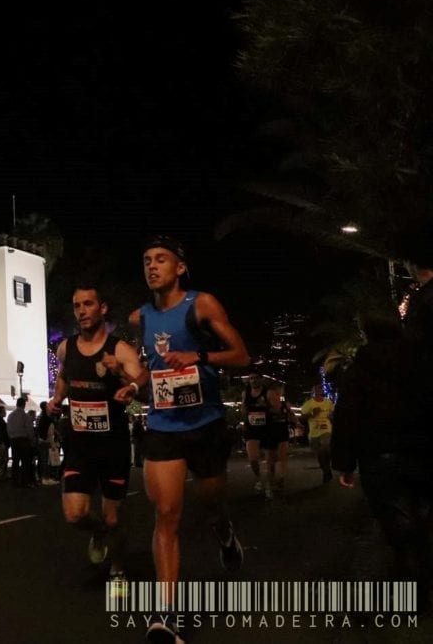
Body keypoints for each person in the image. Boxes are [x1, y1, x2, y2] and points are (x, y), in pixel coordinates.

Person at [113, 235, 250, 641]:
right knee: (166, 514)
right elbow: (149, 367)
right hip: (163, 427)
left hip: (205, 424)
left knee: (211, 503)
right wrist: (135, 386)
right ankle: (166, 616)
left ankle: (223, 532)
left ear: (180, 267)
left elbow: (242, 355)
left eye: (161, 260)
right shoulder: (140, 318)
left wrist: (200, 357)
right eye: (146, 260)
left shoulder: (202, 304)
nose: (152, 266)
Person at [332, 313, 431, 614]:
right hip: (422, 452)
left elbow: (347, 416)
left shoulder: (359, 370)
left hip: (380, 455)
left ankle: (411, 581)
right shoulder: (422, 363)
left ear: (366, 335)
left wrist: (345, 462)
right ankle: (421, 576)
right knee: (424, 514)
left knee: (397, 519)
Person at [47, 284, 144, 589]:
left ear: (102, 308)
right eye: (77, 306)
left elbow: (142, 378)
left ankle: (117, 567)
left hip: (112, 446)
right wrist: (56, 399)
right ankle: (98, 530)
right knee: (75, 516)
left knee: (115, 517)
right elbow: (64, 376)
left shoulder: (119, 349)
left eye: (88, 304)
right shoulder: (66, 347)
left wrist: (126, 381)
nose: (82, 311)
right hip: (78, 446)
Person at [241, 369, 288, 498]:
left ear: (261, 379)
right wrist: (244, 419)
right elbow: (244, 408)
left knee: (269, 461)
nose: (253, 380)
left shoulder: (269, 393)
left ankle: (269, 485)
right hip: (251, 428)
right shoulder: (245, 393)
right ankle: (259, 478)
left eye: (256, 378)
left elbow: (278, 410)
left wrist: (266, 407)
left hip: (268, 428)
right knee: (253, 458)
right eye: (251, 378)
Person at [299, 384, 334, 483]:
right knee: (320, 454)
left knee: (325, 448)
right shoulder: (309, 404)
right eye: (315, 390)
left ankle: (327, 471)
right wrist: (312, 414)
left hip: (326, 431)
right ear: (312, 392)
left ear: (322, 391)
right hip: (314, 434)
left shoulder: (328, 403)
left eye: (320, 389)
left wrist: (332, 417)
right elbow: (301, 418)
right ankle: (326, 471)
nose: (318, 391)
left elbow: (333, 414)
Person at [6, 397, 36, 487]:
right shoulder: (25, 416)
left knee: (15, 461)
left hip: (14, 440)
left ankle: (14, 481)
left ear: (16, 404)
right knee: (25, 461)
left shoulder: (10, 415)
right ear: (24, 405)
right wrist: (31, 439)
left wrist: (11, 437)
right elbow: (29, 429)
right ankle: (24, 481)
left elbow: (8, 429)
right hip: (23, 440)